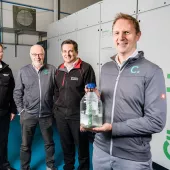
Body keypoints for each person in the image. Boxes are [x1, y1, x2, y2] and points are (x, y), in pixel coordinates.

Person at [89, 13, 167, 170]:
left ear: (138, 36)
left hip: (132, 158)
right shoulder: (106, 68)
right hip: (100, 151)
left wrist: (113, 128)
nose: (121, 37)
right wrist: (94, 99)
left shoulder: (152, 71)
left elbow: (156, 121)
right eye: (117, 33)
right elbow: (108, 104)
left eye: (127, 32)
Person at [53, 39, 96, 170]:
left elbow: (91, 96)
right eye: (65, 51)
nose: (67, 54)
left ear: (76, 52)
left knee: (82, 147)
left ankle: (83, 168)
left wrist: (87, 120)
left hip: (78, 117)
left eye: (70, 51)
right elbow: (56, 91)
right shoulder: (59, 69)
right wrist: (56, 110)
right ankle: (69, 166)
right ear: (61, 53)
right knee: (66, 145)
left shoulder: (86, 68)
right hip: (61, 116)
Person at [13, 45, 57, 170]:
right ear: (30, 55)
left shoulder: (52, 70)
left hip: (46, 115)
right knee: (25, 145)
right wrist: (21, 110)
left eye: (40, 54)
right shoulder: (23, 71)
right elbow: (17, 92)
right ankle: (24, 167)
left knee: (49, 143)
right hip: (28, 114)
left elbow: (57, 91)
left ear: (44, 54)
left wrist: (53, 109)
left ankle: (50, 166)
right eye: (34, 54)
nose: (38, 57)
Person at [0, 44, 17, 170]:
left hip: (4, 112)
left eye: (1, 52)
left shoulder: (7, 70)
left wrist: (13, 109)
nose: (0, 54)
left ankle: (4, 164)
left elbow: (12, 91)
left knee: (3, 139)